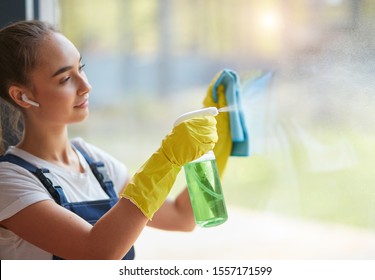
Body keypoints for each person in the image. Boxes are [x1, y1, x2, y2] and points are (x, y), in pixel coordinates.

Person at [0, 20, 231, 260]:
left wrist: (219, 142)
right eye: (65, 79)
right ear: (22, 96)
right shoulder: (9, 181)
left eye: (81, 68)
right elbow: (97, 252)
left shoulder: (95, 164)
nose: (86, 86)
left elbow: (182, 217)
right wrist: (167, 160)